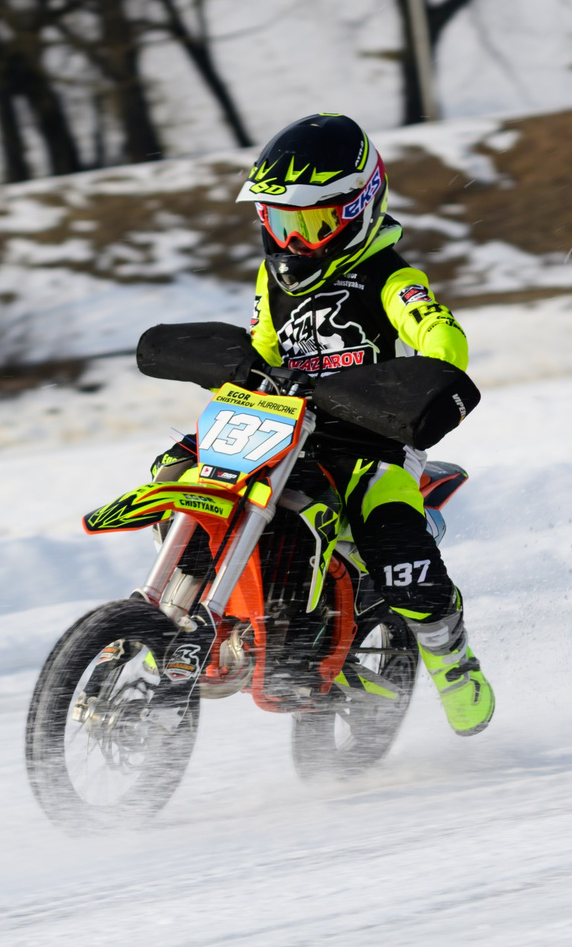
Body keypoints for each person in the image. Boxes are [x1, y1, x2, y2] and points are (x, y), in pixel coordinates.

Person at [158, 112, 494, 734]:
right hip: (282, 423)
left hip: (372, 437)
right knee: (176, 469)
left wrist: (433, 367)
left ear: (357, 210)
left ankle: (453, 660)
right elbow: (264, 346)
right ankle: (190, 615)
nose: (293, 241)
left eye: (310, 224)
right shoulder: (273, 277)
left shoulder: (390, 276)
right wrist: (238, 371)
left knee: (393, 542)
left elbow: (438, 332)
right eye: (279, 222)